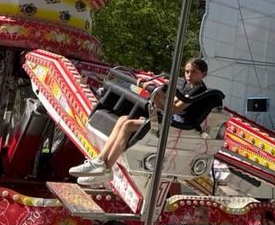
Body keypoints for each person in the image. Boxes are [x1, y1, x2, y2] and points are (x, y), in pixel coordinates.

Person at [70, 58, 222, 186]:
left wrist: (153, 92)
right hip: (171, 118)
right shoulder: (187, 86)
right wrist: (154, 91)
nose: (189, 75)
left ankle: (106, 167)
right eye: (187, 71)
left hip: (177, 124)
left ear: (203, 74)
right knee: (123, 119)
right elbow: (168, 104)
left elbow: (173, 109)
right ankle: (100, 162)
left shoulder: (198, 90)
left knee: (128, 125)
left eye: (194, 72)